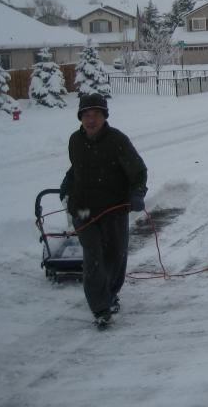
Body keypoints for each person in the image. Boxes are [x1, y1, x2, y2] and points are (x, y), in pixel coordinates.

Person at [60, 93, 147, 328]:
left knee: (115, 255)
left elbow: (138, 171)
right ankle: (100, 307)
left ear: (104, 116)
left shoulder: (117, 140)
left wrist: (137, 193)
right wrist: (67, 184)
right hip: (83, 209)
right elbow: (76, 168)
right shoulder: (75, 141)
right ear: (80, 117)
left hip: (113, 208)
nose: (91, 120)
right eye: (86, 115)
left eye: (96, 114)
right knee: (94, 257)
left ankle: (110, 293)